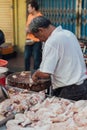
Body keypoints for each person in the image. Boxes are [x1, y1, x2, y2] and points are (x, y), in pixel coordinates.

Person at [28, 16, 87, 101]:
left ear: (41, 30)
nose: (40, 40)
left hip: (69, 90)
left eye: (38, 37)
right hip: (83, 85)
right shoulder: (68, 33)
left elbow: (46, 73)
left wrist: (36, 74)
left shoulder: (52, 41)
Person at [24, 0, 42, 71]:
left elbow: (39, 30)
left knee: (36, 58)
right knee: (26, 57)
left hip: (36, 41)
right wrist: (27, 29)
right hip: (28, 40)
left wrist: (30, 30)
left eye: (29, 7)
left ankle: (35, 73)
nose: (28, 9)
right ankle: (26, 72)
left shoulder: (39, 17)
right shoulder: (29, 16)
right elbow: (27, 26)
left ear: (33, 8)